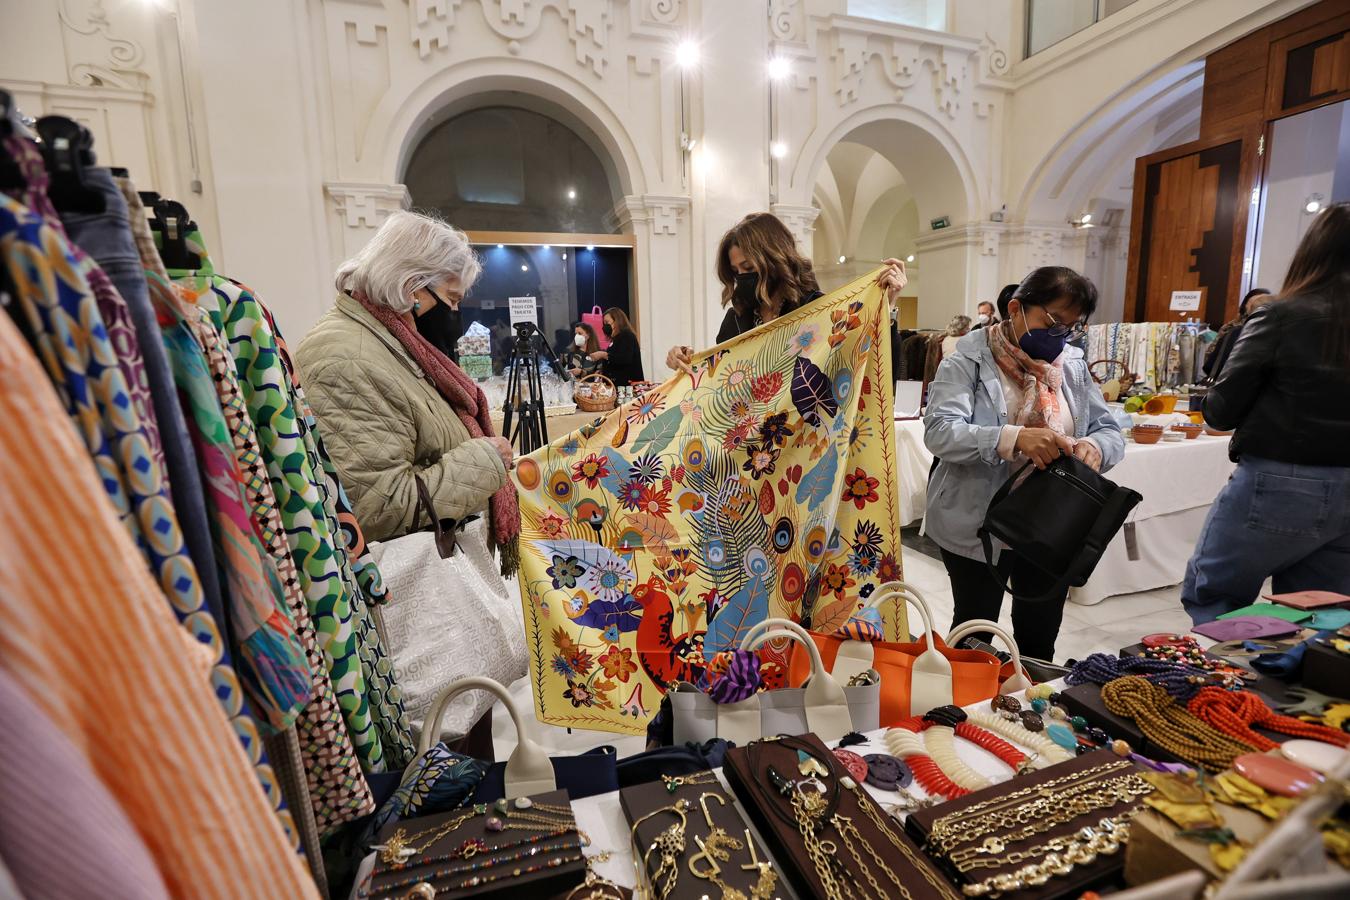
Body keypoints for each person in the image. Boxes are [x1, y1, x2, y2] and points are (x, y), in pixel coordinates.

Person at [923, 266, 1125, 661]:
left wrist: (1094, 448)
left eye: (1072, 326)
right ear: (1015, 308)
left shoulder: (1072, 366)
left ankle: (1028, 708)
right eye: (1052, 321)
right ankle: (964, 712)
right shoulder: (967, 362)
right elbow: (941, 432)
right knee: (975, 629)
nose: (1061, 335)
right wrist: (1013, 438)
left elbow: (1109, 430)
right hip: (978, 521)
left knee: (1039, 630)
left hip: (1050, 523)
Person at [295, 210, 518, 557]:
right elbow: (376, 507)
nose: (456, 314)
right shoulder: (347, 358)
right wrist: (486, 460)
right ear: (412, 286)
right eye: (453, 299)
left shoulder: (394, 343)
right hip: (410, 590)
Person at [1182, 203, 1350, 622]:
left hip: (1280, 481)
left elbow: (1220, 411)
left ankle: (1230, 687)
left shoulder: (1279, 315)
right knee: (1320, 614)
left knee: (1217, 601)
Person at [665, 212, 908, 374]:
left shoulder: (816, 310)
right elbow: (717, 379)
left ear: (775, 258)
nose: (742, 276)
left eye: (749, 267)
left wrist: (886, 307)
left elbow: (865, 366)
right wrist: (687, 362)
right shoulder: (736, 320)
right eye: (736, 270)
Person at [1202, 287, 1271, 381]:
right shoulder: (1231, 329)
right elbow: (1212, 359)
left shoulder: (1273, 330)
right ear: (1245, 306)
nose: (1257, 307)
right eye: (1253, 303)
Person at [586, 308, 644, 386]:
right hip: (617, 385)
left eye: (607, 322)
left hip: (628, 387)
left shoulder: (627, 335)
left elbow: (624, 358)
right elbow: (614, 361)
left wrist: (603, 354)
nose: (605, 326)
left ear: (617, 321)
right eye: (604, 323)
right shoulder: (616, 339)